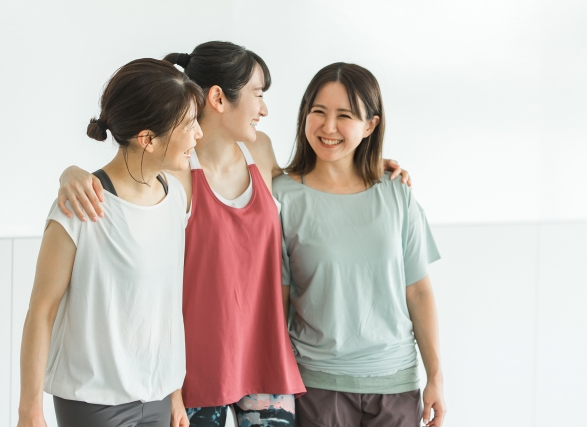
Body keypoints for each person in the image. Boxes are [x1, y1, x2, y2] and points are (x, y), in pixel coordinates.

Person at [56, 42, 411, 427]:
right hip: (195, 369)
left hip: (264, 358)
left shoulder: (261, 151)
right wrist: (71, 174)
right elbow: (125, 182)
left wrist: (367, 163)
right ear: (218, 98)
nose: (264, 109)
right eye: (258, 94)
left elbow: (311, 182)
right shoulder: (175, 170)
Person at [17, 58, 204, 427]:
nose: (198, 134)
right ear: (148, 139)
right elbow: (42, 310)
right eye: (189, 125)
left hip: (157, 398)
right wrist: (30, 411)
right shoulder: (79, 206)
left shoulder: (176, 197)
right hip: (93, 403)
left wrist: (173, 392)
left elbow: (162, 308)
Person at [274, 62, 447, 427]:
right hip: (317, 386)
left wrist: (436, 376)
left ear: (370, 125)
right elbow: (278, 302)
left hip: (396, 385)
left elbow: (418, 291)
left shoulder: (397, 192)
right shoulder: (282, 197)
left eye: (345, 115)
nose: (328, 127)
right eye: (318, 112)